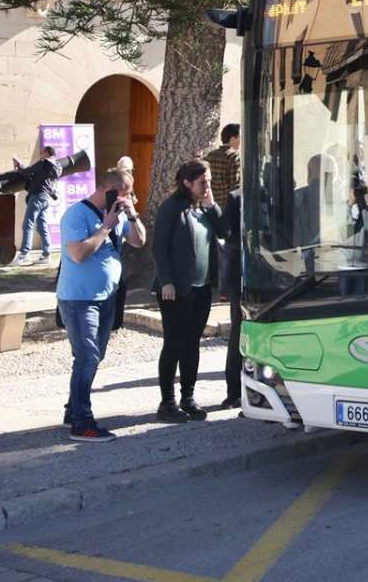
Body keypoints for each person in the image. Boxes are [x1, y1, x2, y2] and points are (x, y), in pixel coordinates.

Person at [59, 167, 146, 442]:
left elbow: (139, 241)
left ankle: (73, 409)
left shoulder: (120, 215)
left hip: (107, 296)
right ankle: (82, 423)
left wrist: (131, 215)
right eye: (125, 194)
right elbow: (79, 254)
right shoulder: (76, 214)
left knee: (95, 357)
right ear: (108, 191)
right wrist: (106, 225)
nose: (128, 198)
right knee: (87, 358)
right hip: (79, 299)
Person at [151, 158, 223, 422]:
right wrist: (166, 280)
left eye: (209, 181)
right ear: (187, 182)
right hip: (175, 289)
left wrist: (211, 204)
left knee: (192, 343)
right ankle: (167, 402)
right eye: (203, 182)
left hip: (201, 288)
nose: (207, 186)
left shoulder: (203, 208)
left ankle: (188, 398)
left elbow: (225, 229)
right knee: (174, 343)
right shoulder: (171, 207)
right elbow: (159, 247)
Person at [13, 145, 65, 264]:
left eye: (42, 152)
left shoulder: (44, 163)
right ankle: (46, 255)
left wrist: (18, 163)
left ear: (47, 153)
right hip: (46, 198)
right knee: (42, 226)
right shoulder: (58, 166)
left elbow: (27, 171)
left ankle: (24, 254)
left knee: (28, 224)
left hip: (37, 196)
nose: (40, 154)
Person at [219, 186, 243, 410]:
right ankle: (234, 391)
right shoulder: (236, 197)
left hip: (278, 275)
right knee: (238, 333)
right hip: (242, 278)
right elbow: (226, 234)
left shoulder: (285, 188)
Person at [340, 184, 368, 296]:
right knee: (344, 295)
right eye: (354, 193)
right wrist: (349, 206)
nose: (355, 196)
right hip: (345, 261)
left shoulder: (365, 212)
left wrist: (363, 208)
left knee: (359, 296)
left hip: (360, 261)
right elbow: (345, 229)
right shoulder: (342, 210)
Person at [204, 124, 241, 206]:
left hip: (211, 203)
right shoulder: (234, 156)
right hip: (227, 205)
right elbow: (235, 186)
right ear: (232, 139)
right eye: (240, 137)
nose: (241, 141)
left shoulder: (210, 155)